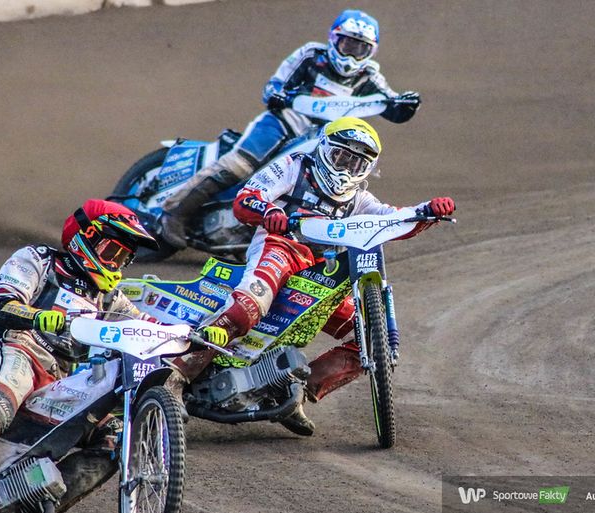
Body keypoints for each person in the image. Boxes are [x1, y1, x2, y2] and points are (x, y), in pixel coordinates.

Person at [185, 117, 455, 436]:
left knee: (370, 337)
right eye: (341, 157)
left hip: (319, 271)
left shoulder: (360, 200)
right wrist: (270, 212)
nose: (346, 168)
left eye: (356, 163)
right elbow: (246, 199)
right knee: (252, 303)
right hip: (280, 247)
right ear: (325, 150)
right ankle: (185, 367)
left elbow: (394, 219)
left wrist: (428, 211)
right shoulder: (294, 166)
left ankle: (292, 391)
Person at [0, 199, 160, 508]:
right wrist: (38, 316)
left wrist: (199, 335)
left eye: (123, 258)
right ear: (86, 238)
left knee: (116, 440)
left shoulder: (109, 298)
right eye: (112, 252)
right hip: (20, 351)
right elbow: (0, 305)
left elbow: (146, 326)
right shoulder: (39, 259)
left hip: (65, 380)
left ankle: (19, 505)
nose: (116, 264)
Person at [158, 8, 422, 249]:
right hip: (283, 122)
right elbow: (273, 87)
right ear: (334, 39)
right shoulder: (312, 55)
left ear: (371, 52)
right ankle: (175, 212)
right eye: (348, 44)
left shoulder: (371, 77)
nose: (352, 54)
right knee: (241, 164)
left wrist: (406, 105)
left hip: (324, 142)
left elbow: (391, 106)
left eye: (360, 48)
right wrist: (281, 96)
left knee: (326, 185)